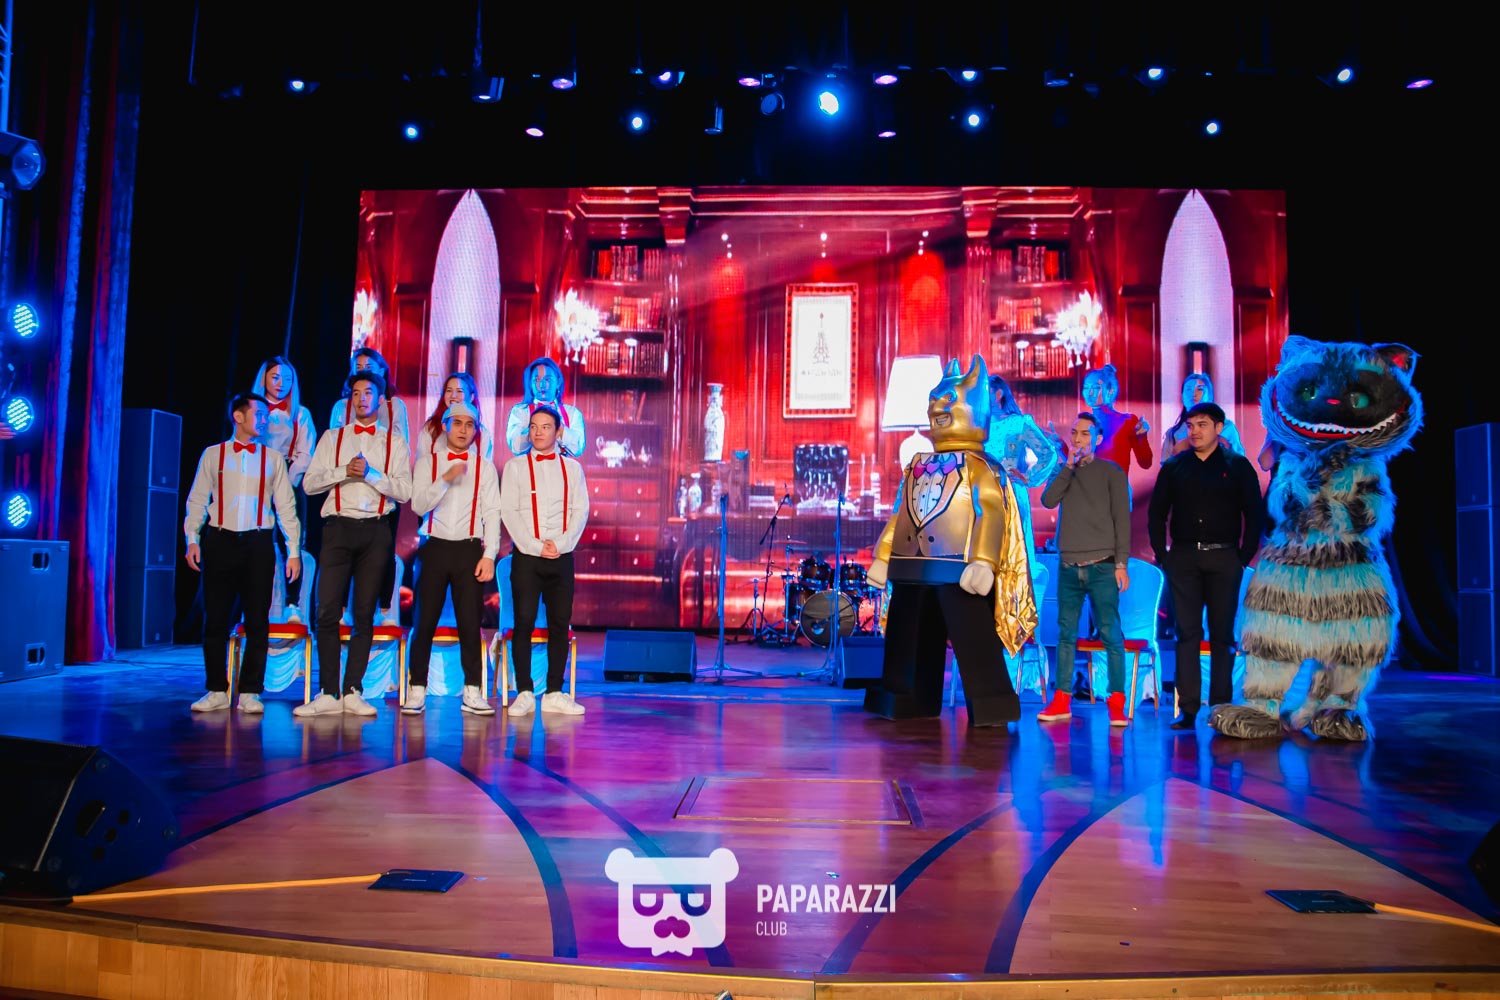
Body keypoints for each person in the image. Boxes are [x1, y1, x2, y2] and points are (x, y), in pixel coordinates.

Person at [862, 355, 1035, 728]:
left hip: (960, 565)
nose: (937, 407)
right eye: (935, 400)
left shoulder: (982, 467)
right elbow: (903, 514)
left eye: (948, 400)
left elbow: (991, 513)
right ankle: (903, 694)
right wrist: (883, 556)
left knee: (973, 637)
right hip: (912, 565)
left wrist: (984, 561)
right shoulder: (918, 463)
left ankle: (990, 702)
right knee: (906, 633)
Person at [298, 370, 413, 717]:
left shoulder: (395, 442)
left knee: (364, 612)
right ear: (350, 400)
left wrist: (372, 475)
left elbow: (404, 491)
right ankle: (328, 692)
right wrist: (344, 472)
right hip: (338, 528)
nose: (362, 399)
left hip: (376, 531)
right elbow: (309, 484)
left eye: (369, 393)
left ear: (380, 399)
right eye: (357, 393)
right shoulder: (333, 437)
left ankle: (353, 689)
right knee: (327, 610)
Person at [1148, 401, 1263, 731]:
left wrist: (1242, 557)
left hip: (1224, 558)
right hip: (1183, 558)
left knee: (1222, 635)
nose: (1194, 431)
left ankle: (1220, 706)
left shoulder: (1237, 466)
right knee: (1186, 634)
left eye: (1202, 425)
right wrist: (1163, 556)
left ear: (1218, 428)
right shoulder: (1175, 467)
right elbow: (1156, 513)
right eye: (1190, 425)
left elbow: (1254, 513)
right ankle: (1187, 708)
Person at [183, 394, 301, 714]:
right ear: (238, 416)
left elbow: (286, 506)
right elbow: (198, 499)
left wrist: (292, 550)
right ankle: (216, 689)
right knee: (216, 619)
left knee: (257, 620)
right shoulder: (214, 454)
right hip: (220, 540)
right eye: (258, 413)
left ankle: (250, 691)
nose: (264, 420)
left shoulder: (272, 459)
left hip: (259, 543)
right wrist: (192, 538)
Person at [404, 400, 500, 716]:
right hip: (433, 547)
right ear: (445, 426)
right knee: (424, 622)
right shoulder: (427, 464)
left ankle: (473, 691)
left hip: (469, 549)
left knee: (470, 623)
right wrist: (445, 478)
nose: (463, 430)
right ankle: (417, 689)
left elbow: (492, 513)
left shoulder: (484, 468)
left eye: (469, 425)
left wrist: (489, 555)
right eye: (457, 423)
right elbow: (418, 505)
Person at [1037, 412, 1133, 727]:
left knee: (1110, 634)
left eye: (1085, 434)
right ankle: (1061, 699)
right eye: (1075, 433)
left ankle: (1116, 701)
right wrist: (1067, 466)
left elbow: (1122, 520)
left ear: (1098, 439)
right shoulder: (1064, 471)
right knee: (1065, 634)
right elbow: (1048, 500)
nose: (1078, 439)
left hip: (1102, 567)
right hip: (1068, 566)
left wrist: (1121, 564)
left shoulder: (1111, 472)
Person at [498, 406, 589, 716]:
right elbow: (509, 512)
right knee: (523, 622)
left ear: (558, 431)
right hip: (527, 557)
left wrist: (560, 544)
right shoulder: (515, 467)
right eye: (533, 426)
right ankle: (524, 691)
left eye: (545, 426)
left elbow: (580, 511)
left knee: (559, 624)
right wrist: (536, 546)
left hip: (560, 557)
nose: (538, 432)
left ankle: (553, 691)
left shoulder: (573, 469)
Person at [329, 347, 411, 626]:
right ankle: (342, 610)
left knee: (384, 548)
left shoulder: (395, 405)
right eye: (359, 366)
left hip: (383, 483)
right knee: (342, 553)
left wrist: (378, 469)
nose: (364, 370)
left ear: (382, 370)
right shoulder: (341, 407)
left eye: (370, 366)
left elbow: (401, 442)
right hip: (349, 482)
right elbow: (334, 443)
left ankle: (384, 609)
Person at [251, 356, 316, 621]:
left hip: (289, 478)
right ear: (264, 378)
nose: (281, 384)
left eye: (287, 379)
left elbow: (305, 452)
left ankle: (292, 604)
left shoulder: (300, 413)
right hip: (256, 479)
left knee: (293, 543)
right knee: (257, 540)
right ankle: (255, 603)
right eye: (276, 377)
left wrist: (287, 481)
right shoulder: (254, 410)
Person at [985, 374, 1057, 557]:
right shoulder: (977, 426)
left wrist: (1027, 477)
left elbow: (1048, 453)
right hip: (983, 492)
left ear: (999, 393)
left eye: (987, 391)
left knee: (1013, 549)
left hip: (1010, 492)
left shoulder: (1018, 423)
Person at [505, 357, 585, 458]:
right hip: (527, 467)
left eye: (548, 380)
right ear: (530, 384)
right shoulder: (520, 411)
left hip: (560, 467)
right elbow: (516, 447)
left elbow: (578, 448)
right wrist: (534, 429)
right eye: (536, 380)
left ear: (558, 382)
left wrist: (560, 429)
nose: (542, 385)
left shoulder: (572, 413)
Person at [415, 372, 495, 463]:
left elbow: (486, 467)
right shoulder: (430, 428)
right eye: (449, 390)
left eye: (459, 391)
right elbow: (421, 463)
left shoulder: (482, 434)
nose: (453, 396)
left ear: (471, 397)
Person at [1161, 374, 1244, 458]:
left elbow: (1239, 460)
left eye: (1200, 389)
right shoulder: (1173, 433)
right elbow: (1166, 464)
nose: (1193, 393)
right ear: (1182, 396)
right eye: (1188, 389)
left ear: (1210, 396)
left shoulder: (1226, 427)